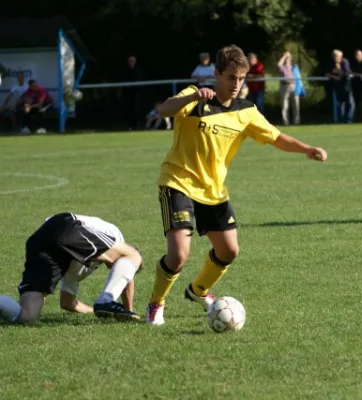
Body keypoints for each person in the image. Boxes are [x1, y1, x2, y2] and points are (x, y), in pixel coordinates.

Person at [145, 44, 327, 326]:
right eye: (231, 77)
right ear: (216, 74)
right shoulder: (195, 99)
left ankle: (197, 291)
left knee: (229, 251)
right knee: (178, 255)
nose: (236, 84)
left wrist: (305, 148)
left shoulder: (246, 111)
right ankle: (156, 304)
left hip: (213, 190)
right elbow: (163, 110)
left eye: (241, 79)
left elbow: (276, 137)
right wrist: (193, 95)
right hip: (178, 182)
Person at [0, 213, 143, 323]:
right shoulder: (114, 236)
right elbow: (126, 263)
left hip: (40, 241)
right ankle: (105, 301)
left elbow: (67, 302)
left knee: (27, 316)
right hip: (64, 224)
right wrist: (128, 311)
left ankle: (104, 304)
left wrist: (94, 311)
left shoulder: (81, 267)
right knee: (134, 256)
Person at [326, 49, 355, 123]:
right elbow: (327, 73)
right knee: (340, 103)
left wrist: (338, 70)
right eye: (337, 57)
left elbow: (346, 73)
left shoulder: (345, 62)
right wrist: (335, 76)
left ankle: (349, 120)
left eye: (340, 56)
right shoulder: (331, 63)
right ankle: (342, 120)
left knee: (351, 103)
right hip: (338, 86)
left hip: (347, 85)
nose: (339, 58)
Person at [277, 51, 301, 125]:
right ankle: (285, 122)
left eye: (288, 57)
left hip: (294, 86)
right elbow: (278, 64)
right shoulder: (282, 67)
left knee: (296, 104)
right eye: (286, 57)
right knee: (284, 105)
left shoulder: (294, 66)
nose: (287, 59)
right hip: (284, 86)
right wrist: (284, 56)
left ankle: (296, 121)